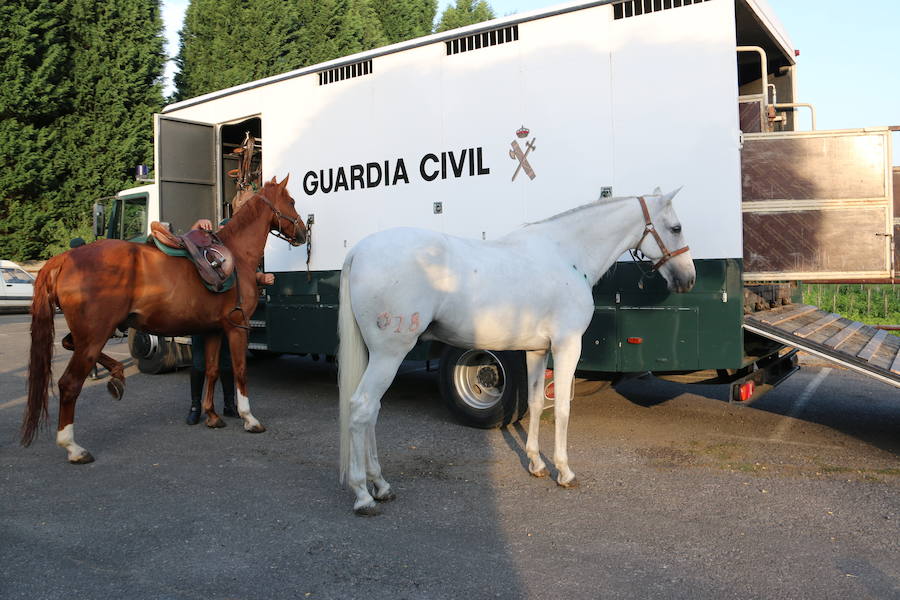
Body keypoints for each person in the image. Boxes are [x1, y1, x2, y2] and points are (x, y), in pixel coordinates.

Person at [185, 217, 275, 425]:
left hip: (227, 318)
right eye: (223, 232)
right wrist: (195, 225)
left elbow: (244, 276)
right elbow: (190, 252)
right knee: (199, 363)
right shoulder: (208, 255)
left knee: (226, 362)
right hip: (203, 315)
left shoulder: (237, 259)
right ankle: (195, 406)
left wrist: (260, 278)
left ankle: (228, 405)